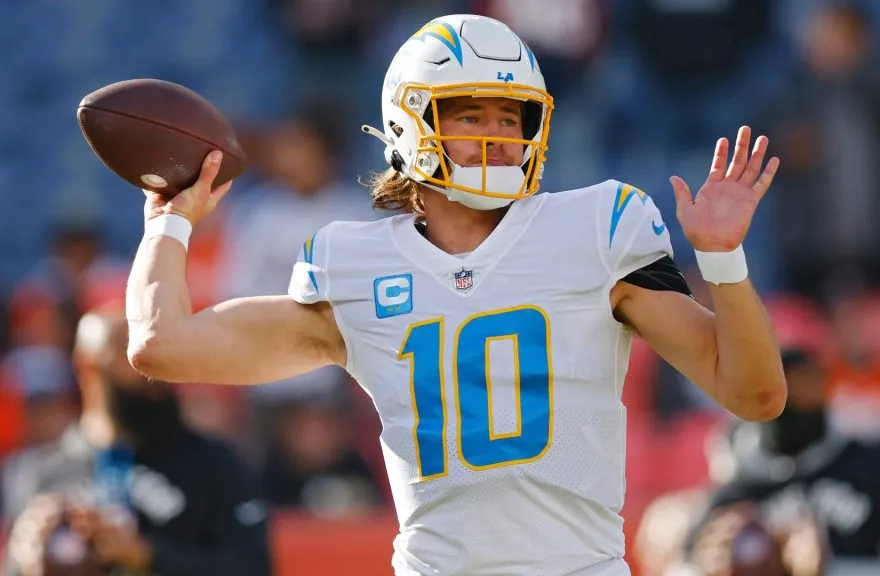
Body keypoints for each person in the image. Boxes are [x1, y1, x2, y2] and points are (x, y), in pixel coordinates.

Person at [125, 14, 787, 576]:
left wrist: (723, 259)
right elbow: (161, 345)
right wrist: (168, 224)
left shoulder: (597, 227)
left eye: (511, 115)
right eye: (471, 114)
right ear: (409, 122)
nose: (498, 136)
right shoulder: (352, 265)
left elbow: (755, 396)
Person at [1, 302, 271, 576]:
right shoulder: (35, 473)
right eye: (131, 351)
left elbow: (254, 568)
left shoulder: (216, 464)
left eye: (159, 350)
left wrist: (144, 554)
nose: (152, 365)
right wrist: (28, 562)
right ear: (88, 365)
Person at [687, 348, 880, 575]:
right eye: (787, 391)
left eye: (808, 387)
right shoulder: (733, 489)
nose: (800, 401)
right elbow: (683, 566)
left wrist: (827, 569)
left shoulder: (875, 467)